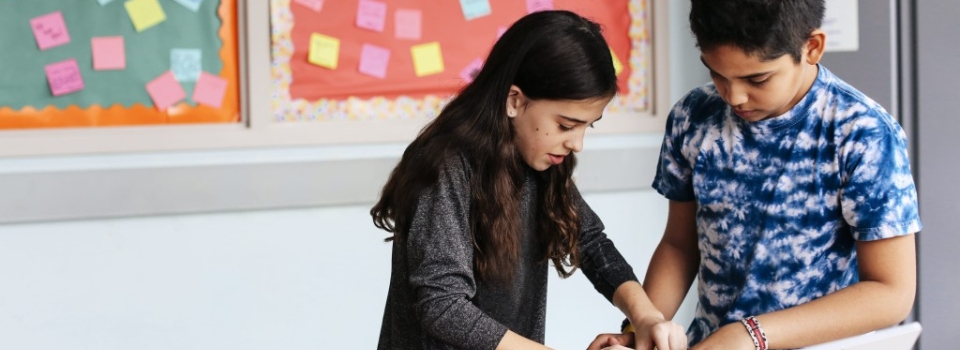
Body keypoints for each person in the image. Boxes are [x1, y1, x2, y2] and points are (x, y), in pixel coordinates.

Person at [588, 0, 921, 349]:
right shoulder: (693, 116)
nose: (734, 96)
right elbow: (679, 245)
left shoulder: (863, 133)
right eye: (716, 73)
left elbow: (891, 292)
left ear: (812, 47)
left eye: (756, 78)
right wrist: (641, 329)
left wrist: (750, 334)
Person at [370, 10, 687, 350]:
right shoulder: (446, 166)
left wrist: (646, 316)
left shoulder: (541, 162)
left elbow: (591, 243)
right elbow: (443, 307)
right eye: (566, 125)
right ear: (514, 100)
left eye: (587, 126)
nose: (576, 143)